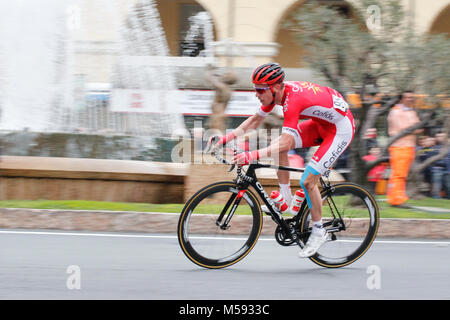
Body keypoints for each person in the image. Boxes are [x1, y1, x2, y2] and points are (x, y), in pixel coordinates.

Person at [209, 63, 355, 258]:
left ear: (276, 87)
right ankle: (285, 198)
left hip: (340, 129)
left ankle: (319, 230)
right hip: (321, 124)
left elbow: (287, 141)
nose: (257, 94)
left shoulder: (292, 100)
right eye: (255, 89)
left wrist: (251, 155)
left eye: (260, 90)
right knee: (279, 145)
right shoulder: (275, 93)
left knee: (308, 180)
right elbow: (254, 120)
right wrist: (225, 138)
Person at [386, 91, 422, 206]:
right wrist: (414, 128)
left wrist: (414, 128)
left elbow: (418, 128)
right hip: (400, 147)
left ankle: (396, 198)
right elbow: (404, 128)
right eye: (407, 97)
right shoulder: (396, 111)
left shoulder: (411, 111)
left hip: (409, 146)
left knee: (401, 174)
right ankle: (397, 200)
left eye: (412, 97)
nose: (410, 99)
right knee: (398, 175)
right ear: (401, 99)